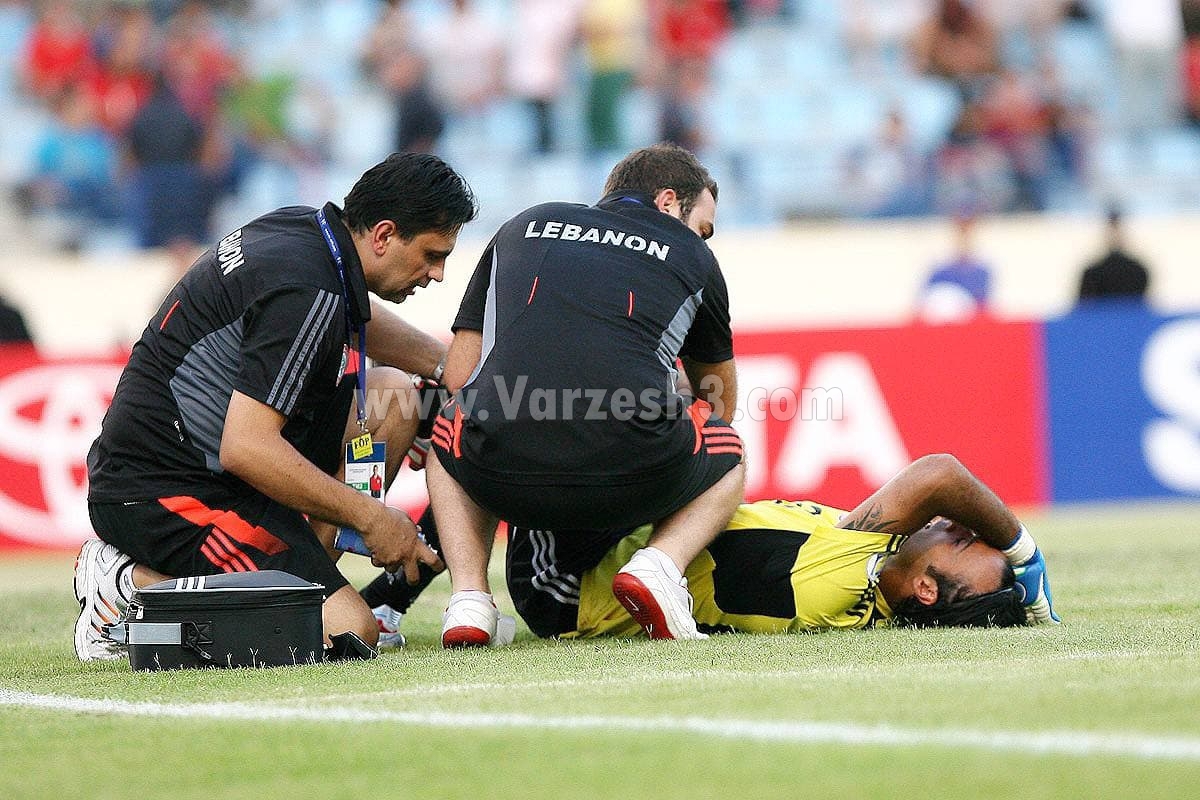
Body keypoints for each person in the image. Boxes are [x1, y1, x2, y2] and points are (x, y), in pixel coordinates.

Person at [74, 152, 478, 662]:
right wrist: (373, 518)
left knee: (392, 398)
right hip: (163, 489)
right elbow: (246, 447)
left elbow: (355, 316)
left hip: (210, 461)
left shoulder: (309, 235)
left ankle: (306, 587)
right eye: (432, 255)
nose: (437, 274)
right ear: (383, 235)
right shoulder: (306, 288)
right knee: (348, 632)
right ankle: (127, 589)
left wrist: (446, 369)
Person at [427, 142, 745, 647]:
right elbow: (719, 398)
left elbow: (460, 374)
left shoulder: (523, 225)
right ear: (668, 202)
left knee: (452, 422)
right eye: (702, 227)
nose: (703, 239)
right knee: (729, 447)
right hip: (634, 470)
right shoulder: (693, 255)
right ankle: (660, 567)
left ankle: (469, 599)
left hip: (506, 471)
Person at [507, 454, 1059, 639]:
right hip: (595, 552)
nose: (958, 524)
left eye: (962, 540)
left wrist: (1025, 556)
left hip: (566, 584)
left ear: (925, 589)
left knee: (570, 407)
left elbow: (940, 475)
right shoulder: (869, 564)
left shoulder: (842, 574)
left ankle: (464, 590)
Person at [1077, 207, 1150, 302]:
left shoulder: (1139, 271)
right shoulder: (1092, 274)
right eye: (1112, 230)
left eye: (1117, 229)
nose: (1114, 235)